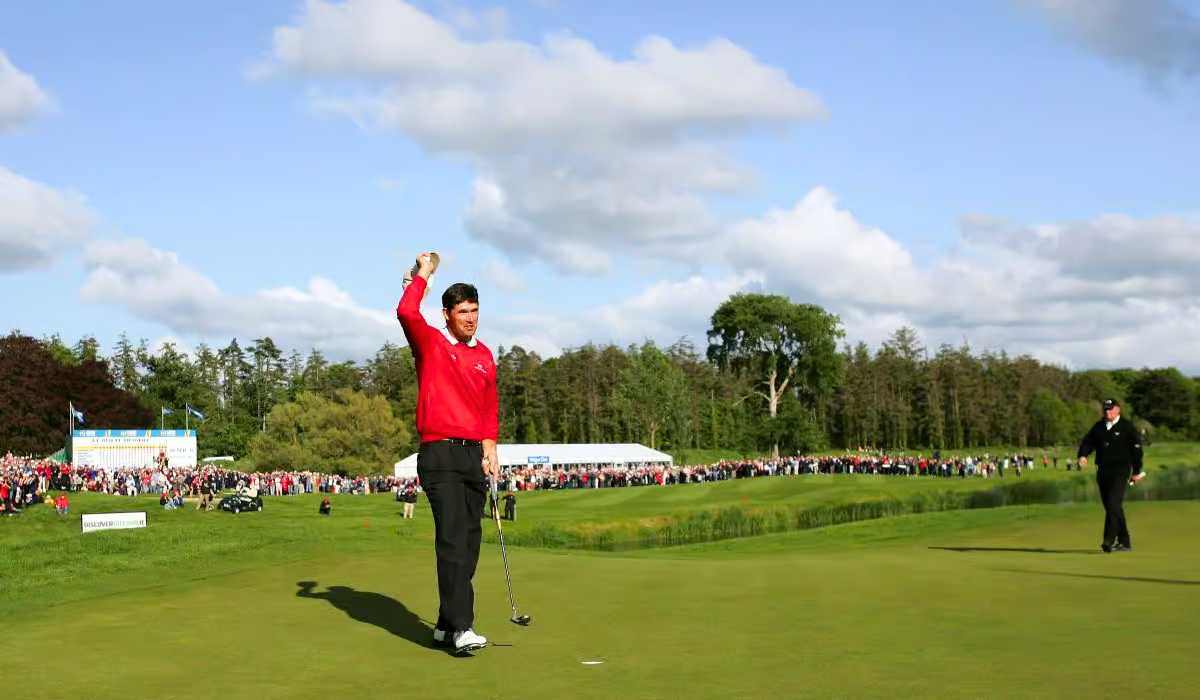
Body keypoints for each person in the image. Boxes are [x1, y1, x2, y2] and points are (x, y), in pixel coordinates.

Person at [396, 251, 499, 654]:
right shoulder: (433, 344)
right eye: (462, 311)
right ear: (446, 315)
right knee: (454, 539)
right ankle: (461, 628)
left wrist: (490, 446)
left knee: (470, 542)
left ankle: (443, 624)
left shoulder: (485, 355)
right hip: (439, 454)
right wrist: (423, 274)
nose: (470, 317)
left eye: (475, 310)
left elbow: (489, 408)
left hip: (473, 455)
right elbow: (407, 312)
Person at [1077, 398, 1144, 552]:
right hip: (1102, 470)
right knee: (1111, 506)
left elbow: (1137, 451)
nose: (1108, 412)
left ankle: (1108, 540)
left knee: (1113, 503)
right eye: (1106, 409)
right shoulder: (1099, 427)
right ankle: (1125, 541)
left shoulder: (1127, 427)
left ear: (1118, 409)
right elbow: (1088, 442)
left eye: (1111, 409)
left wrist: (1137, 471)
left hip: (1120, 471)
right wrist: (1083, 455)